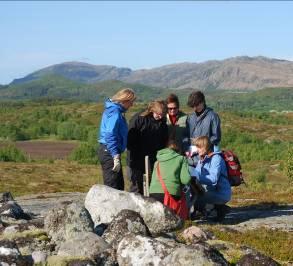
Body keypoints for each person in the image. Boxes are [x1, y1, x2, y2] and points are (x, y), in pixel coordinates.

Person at [127, 100, 168, 195]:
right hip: (136, 161)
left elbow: (163, 142)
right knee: (137, 189)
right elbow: (130, 141)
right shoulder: (139, 119)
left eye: (163, 114)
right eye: (158, 114)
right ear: (152, 110)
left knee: (152, 188)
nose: (160, 116)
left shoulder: (162, 123)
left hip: (153, 160)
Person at [97, 88, 136, 191]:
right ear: (124, 100)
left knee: (118, 187)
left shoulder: (114, 110)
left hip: (109, 150)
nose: (132, 105)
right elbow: (110, 134)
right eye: (131, 102)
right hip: (109, 151)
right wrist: (115, 155)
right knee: (113, 188)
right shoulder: (115, 111)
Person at [190, 136, 231, 222]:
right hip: (210, 191)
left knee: (194, 197)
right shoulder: (202, 159)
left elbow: (213, 179)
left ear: (205, 147)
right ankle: (214, 208)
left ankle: (215, 208)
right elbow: (197, 173)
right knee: (192, 192)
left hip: (221, 193)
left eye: (199, 147)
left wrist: (195, 177)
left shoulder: (217, 159)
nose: (197, 150)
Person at [149, 140, 190, 214]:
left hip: (153, 194)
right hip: (171, 193)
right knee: (186, 191)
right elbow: (186, 180)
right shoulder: (181, 159)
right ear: (179, 150)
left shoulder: (157, 161)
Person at [185, 91, 221, 164]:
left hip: (206, 157)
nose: (195, 108)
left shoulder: (213, 116)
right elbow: (185, 135)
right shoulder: (190, 117)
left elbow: (216, 137)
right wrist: (186, 147)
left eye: (196, 105)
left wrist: (202, 145)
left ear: (202, 102)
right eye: (193, 106)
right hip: (191, 156)